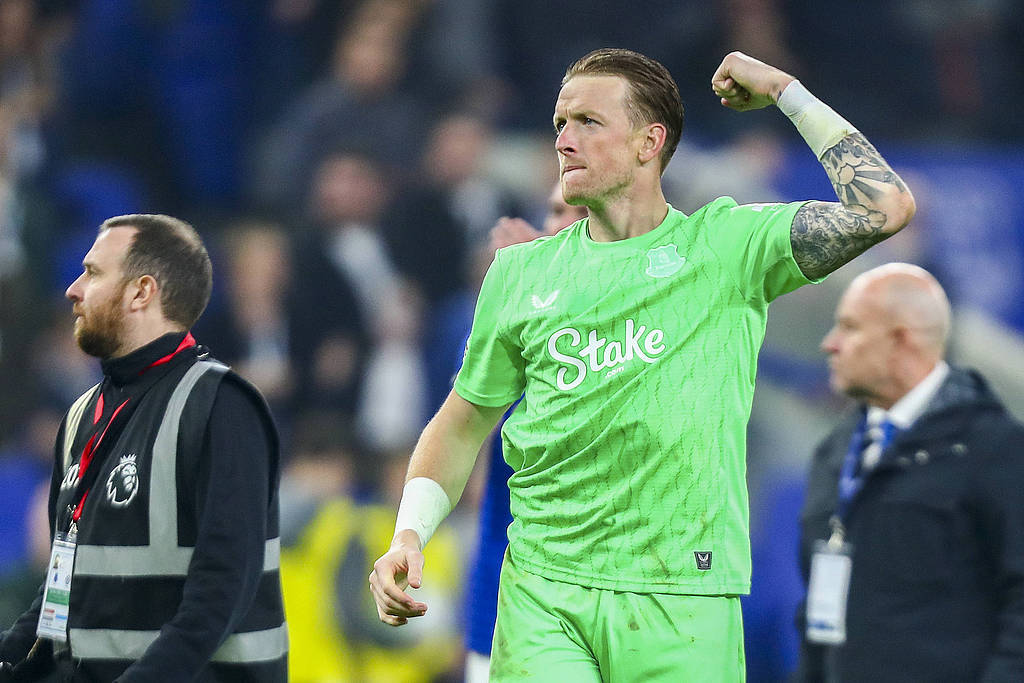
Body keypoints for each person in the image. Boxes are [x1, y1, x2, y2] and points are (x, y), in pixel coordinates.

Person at [369, 48, 916, 680]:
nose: (564, 140)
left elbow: (883, 209)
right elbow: (462, 421)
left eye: (588, 122)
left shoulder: (726, 246)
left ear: (648, 142)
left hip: (684, 595)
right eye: (559, 124)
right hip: (545, 592)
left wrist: (786, 91)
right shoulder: (519, 274)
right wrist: (408, 535)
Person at [0, 214, 287, 681]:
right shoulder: (80, 417)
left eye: (92, 273)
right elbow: (61, 590)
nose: (73, 290)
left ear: (141, 292)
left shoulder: (221, 407)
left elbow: (220, 597)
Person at [794, 263, 1024, 682]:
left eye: (850, 328)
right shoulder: (834, 452)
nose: (830, 344)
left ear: (900, 340)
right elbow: (816, 608)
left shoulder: (996, 450)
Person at [463, 184, 588, 683]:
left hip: (600, 616)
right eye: (556, 211)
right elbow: (474, 437)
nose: (562, 227)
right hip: (501, 609)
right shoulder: (511, 318)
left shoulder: (638, 333)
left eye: (581, 213)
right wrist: (519, 295)